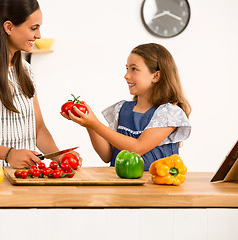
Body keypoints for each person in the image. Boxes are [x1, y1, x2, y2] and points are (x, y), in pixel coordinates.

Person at [0, 0, 81, 170]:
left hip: (18, 180)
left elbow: (38, 129)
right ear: (9, 27)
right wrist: (8, 154)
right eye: (33, 28)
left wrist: (59, 155)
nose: (39, 35)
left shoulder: (26, 71)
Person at [61, 43, 191, 170]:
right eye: (127, 69)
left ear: (156, 76)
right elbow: (108, 156)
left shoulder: (169, 113)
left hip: (156, 187)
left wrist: (96, 124)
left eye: (134, 69)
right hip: (120, 186)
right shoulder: (121, 109)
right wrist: (89, 125)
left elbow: (137, 148)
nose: (126, 75)